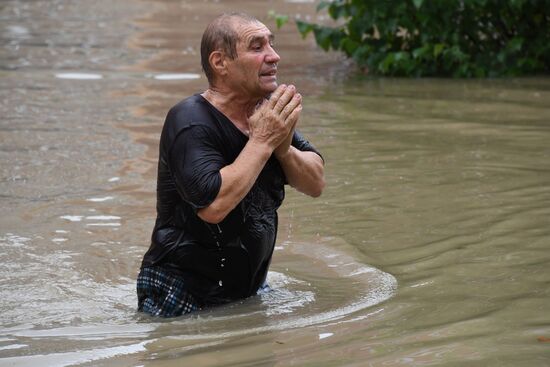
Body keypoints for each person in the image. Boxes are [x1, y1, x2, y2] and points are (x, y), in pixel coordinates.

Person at [136, 12, 325, 317]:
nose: (274, 56)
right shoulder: (189, 121)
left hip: (249, 291)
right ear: (220, 62)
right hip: (180, 291)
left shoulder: (265, 115)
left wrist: (283, 149)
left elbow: (315, 183)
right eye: (257, 46)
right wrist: (263, 142)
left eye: (271, 45)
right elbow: (213, 206)